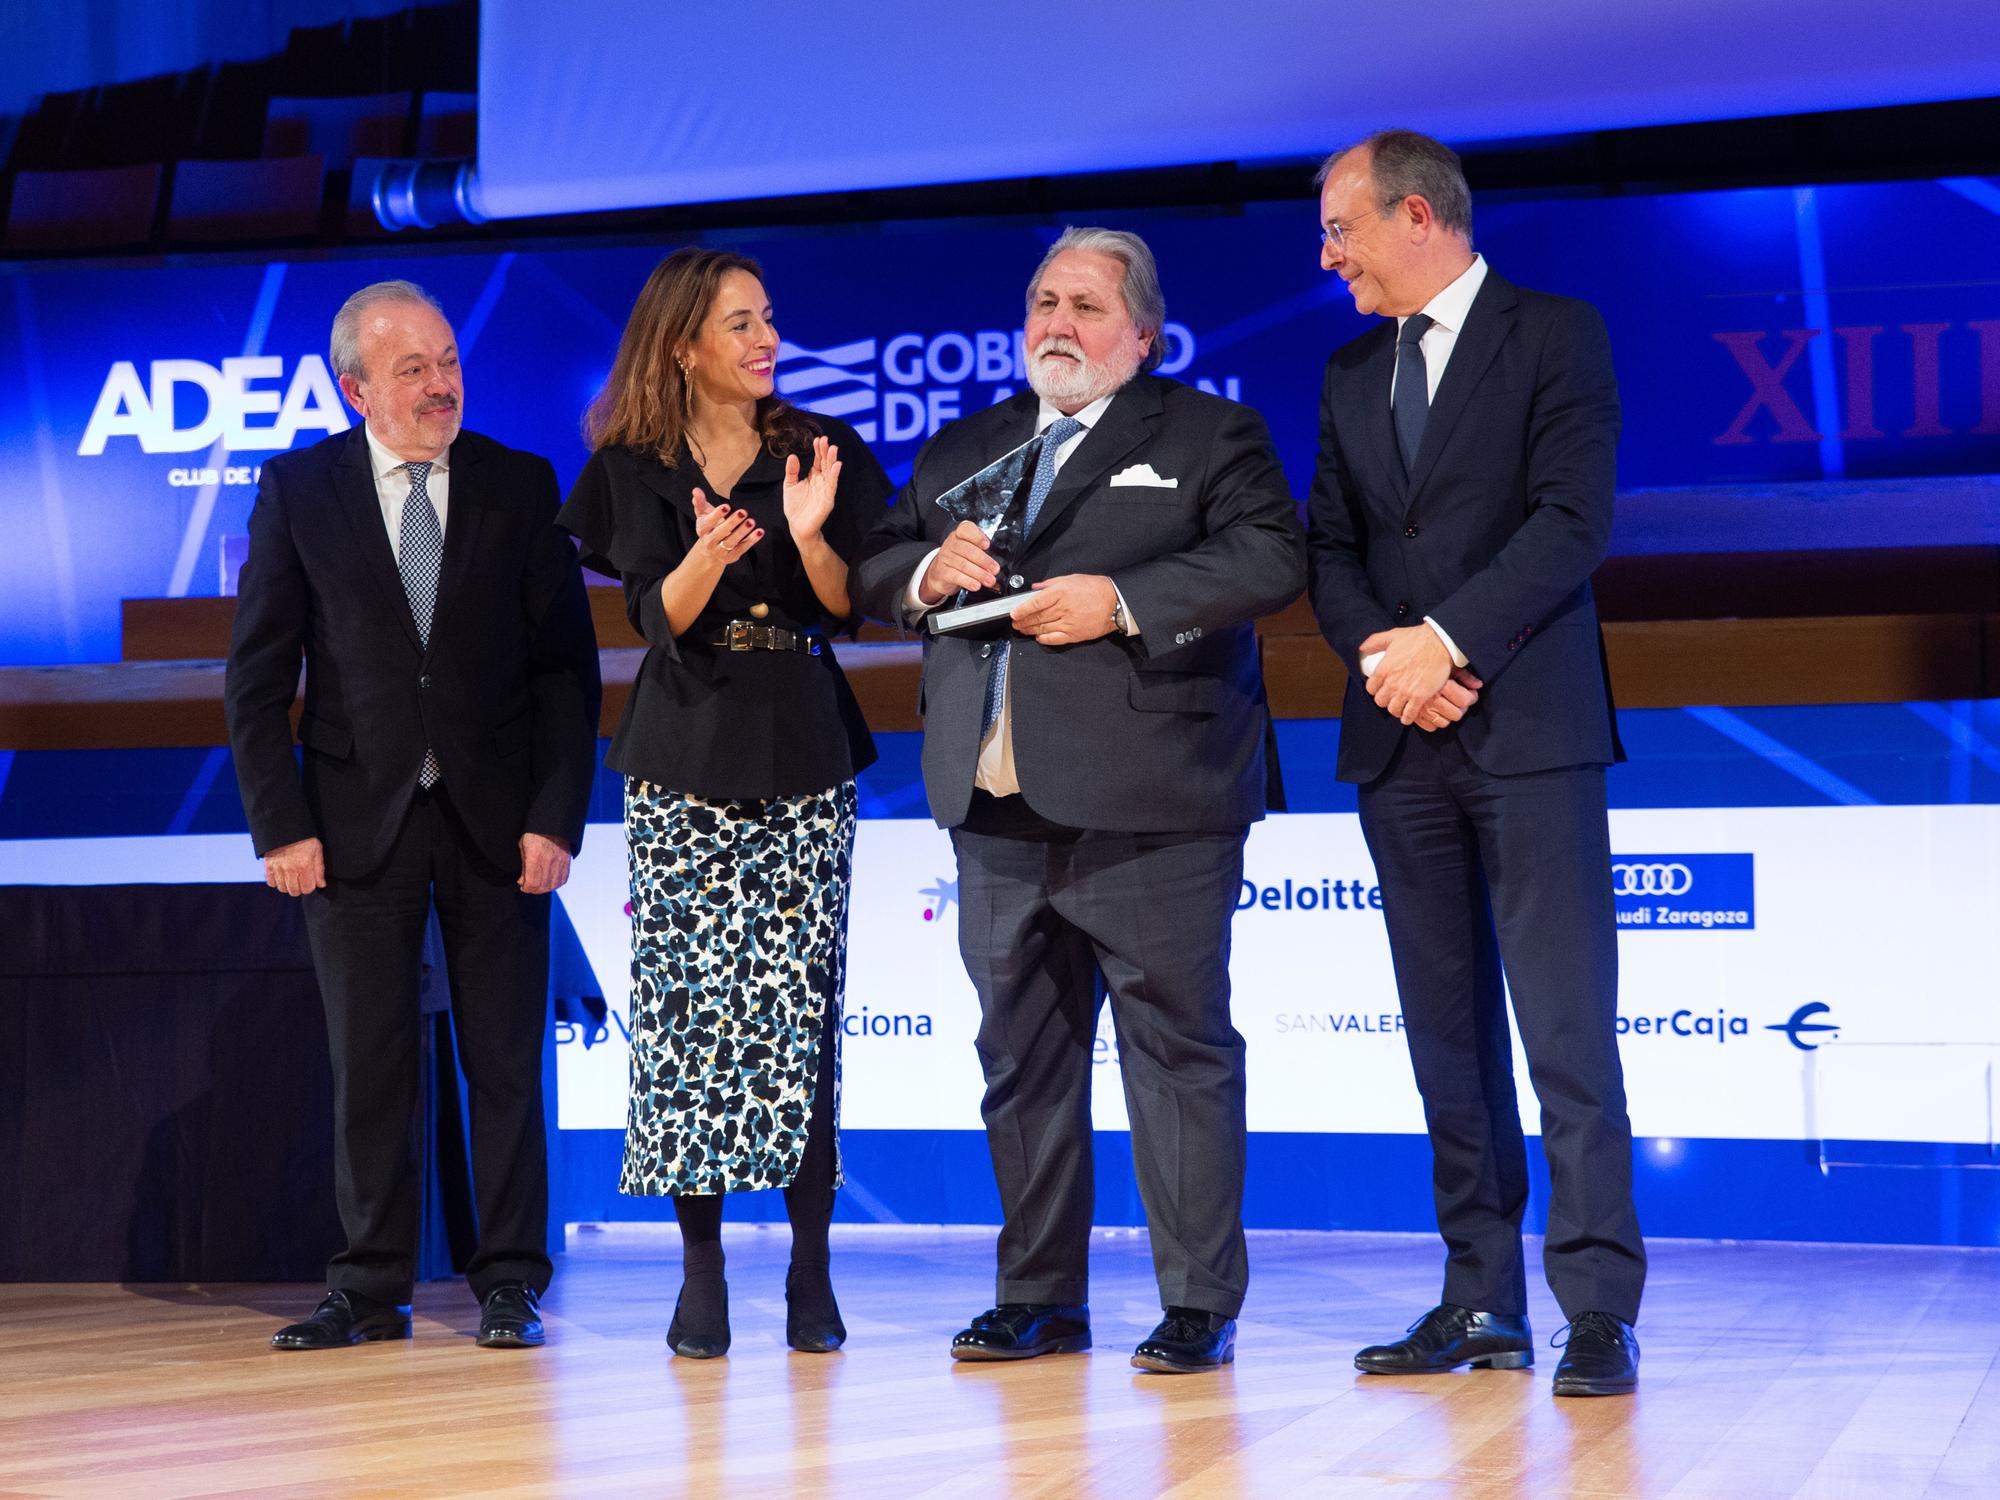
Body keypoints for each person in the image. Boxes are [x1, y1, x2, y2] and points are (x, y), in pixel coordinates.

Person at [854, 227, 1304, 1374]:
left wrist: (1119, 600)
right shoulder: (966, 447)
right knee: (1021, 1063)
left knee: (1177, 1058)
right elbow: (877, 569)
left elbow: (1268, 559)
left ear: (1141, 336)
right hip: (994, 808)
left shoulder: (1208, 435)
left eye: (1087, 306)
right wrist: (918, 574)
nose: (1057, 322)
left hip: (1153, 806)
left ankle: (1197, 1303)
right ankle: (1038, 1296)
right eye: (1043, 301)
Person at [1304, 130, 1646, 1397]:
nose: (1326, 256)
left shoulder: (1556, 334)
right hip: (1398, 742)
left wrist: (1444, 642)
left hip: (1528, 731)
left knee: (1563, 1034)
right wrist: (1388, 661)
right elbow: (1326, 551)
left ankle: (1597, 1307)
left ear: (1412, 213)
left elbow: (1573, 521)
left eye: (1339, 230)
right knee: (1444, 1043)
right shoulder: (1347, 369)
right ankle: (1478, 1299)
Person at [225, 280, 601, 1351]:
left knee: (503, 1065)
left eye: (446, 361)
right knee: (370, 1064)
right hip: (350, 825)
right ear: (357, 389)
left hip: (498, 825)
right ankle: (368, 1285)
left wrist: (555, 818)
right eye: (411, 369)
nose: (440, 384)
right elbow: (256, 678)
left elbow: (565, 677)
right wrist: (279, 825)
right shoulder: (300, 490)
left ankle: (510, 1281)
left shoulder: (520, 486)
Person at [556, 247, 892, 1358]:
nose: (764, 341)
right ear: (684, 343)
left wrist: (804, 537)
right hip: (685, 742)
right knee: (688, 1021)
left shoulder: (821, 451)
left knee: (801, 1021)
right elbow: (658, 619)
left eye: (769, 318)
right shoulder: (631, 469)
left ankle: (810, 1267)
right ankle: (700, 1272)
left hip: (800, 734)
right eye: (739, 324)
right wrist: (706, 553)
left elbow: (851, 610)